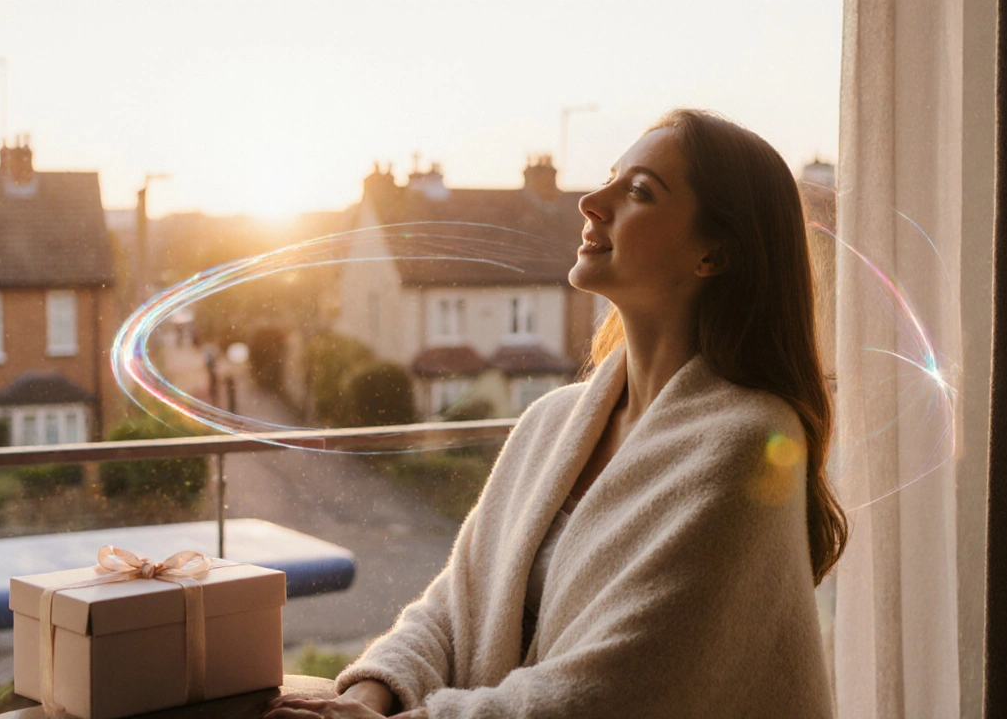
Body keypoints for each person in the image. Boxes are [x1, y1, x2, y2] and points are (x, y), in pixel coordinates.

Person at [264, 109, 847, 719]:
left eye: (639, 191)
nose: (591, 202)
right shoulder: (550, 423)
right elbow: (452, 607)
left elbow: (612, 693)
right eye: (609, 178)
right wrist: (368, 694)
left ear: (714, 253)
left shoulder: (746, 442)